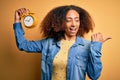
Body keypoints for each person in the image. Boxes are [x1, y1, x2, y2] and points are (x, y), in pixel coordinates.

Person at [13, 5, 111, 80]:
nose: (73, 24)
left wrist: (96, 47)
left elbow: (94, 76)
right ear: (60, 23)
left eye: (77, 20)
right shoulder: (48, 43)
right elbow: (23, 45)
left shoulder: (88, 46)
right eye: (69, 20)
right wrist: (17, 21)